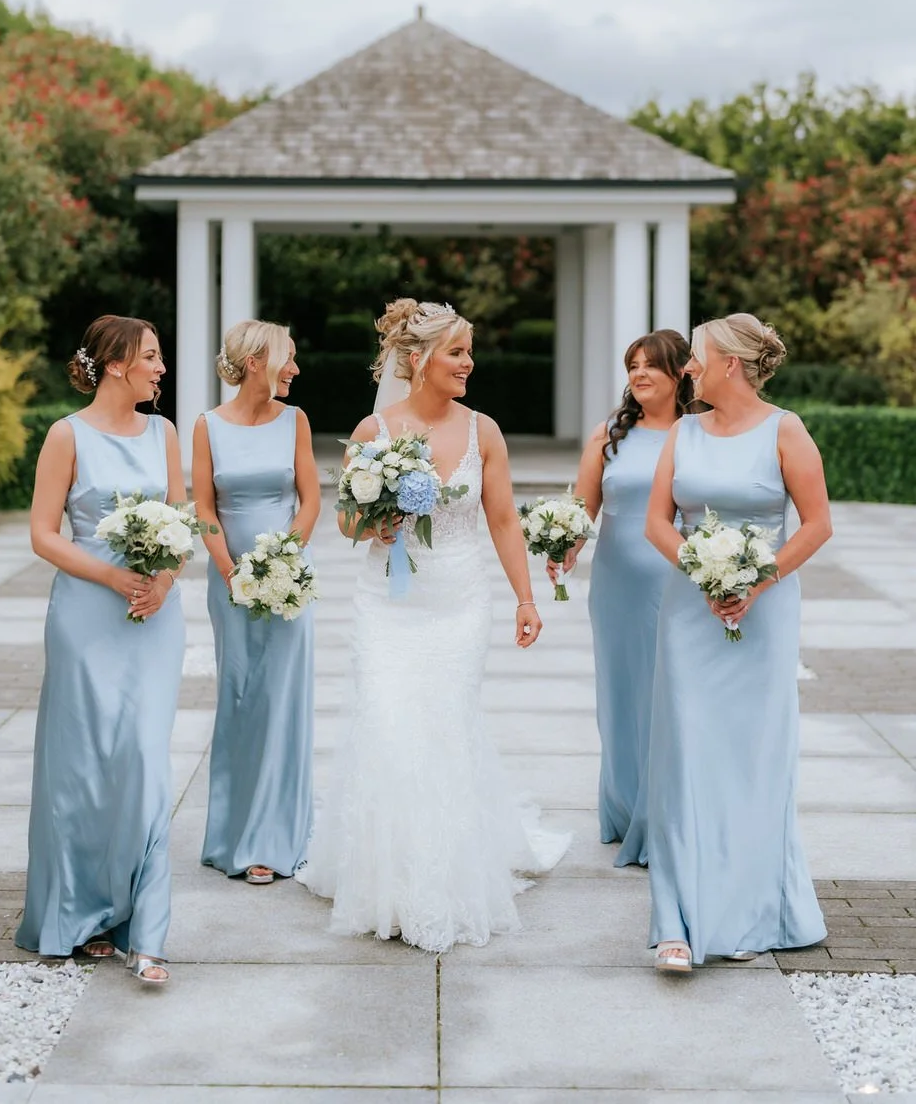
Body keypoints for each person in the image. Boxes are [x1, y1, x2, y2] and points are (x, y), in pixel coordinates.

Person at [295, 298, 570, 951]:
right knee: (390, 728)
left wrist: (526, 599)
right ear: (418, 360)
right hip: (388, 602)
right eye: (457, 352)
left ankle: (444, 880)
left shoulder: (484, 432)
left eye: (469, 351)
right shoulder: (373, 432)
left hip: (460, 600)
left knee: (444, 728)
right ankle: (386, 882)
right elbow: (344, 524)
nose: (469, 363)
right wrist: (375, 520)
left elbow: (502, 520)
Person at [644, 313, 832, 973]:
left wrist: (758, 581)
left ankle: (751, 908)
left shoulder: (786, 430)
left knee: (752, 758)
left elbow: (817, 523)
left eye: (694, 357)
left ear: (729, 362)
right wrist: (703, 570)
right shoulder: (684, 432)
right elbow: (657, 523)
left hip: (765, 614)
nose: (685, 368)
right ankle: (676, 921)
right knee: (687, 755)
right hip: (689, 614)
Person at [16, 316, 186, 985]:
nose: (160, 369)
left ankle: (146, 932)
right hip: (86, 614)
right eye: (151, 357)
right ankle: (81, 914)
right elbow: (42, 532)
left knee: (144, 759)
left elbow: (182, 519)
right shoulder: (67, 435)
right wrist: (110, 574)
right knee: (82, 766)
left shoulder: (164, 433)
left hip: (153, 619)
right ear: (116, 363)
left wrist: (163, 582)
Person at [548, 330, 693, 867]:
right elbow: (583, 507)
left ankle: (663, 816)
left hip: (677, 580)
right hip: (615, 585)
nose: (639, 374)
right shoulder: (611, 433)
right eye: (633, 365)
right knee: (622, 692)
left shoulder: (697, 432)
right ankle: (624, 807)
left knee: (668, 695)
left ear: (680, 372)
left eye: (652, 365)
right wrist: (563, 547)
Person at [193, 321, 320, 883]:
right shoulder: (206, 427)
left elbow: (312, 498)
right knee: (240, 698)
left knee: (282, 700)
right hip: (229, 585)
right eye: (286, 359)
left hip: (289, 582)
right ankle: (231, 833)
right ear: (254, 363)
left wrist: (283, 562)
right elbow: (204, 508)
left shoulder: (296, 421)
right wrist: (232, 574)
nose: (294, 369)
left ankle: (275, 837)